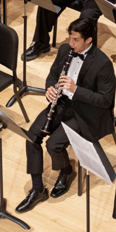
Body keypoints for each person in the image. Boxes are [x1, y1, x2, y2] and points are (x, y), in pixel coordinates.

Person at [16, 18, 115, 213]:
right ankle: (37, 189)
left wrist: (76, 90)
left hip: (85, 113)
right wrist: (50, 89)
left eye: (76, 40)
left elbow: (105, 101)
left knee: (54, 144)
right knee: (31, 137)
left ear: (89, 40)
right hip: (62, 103)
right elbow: (53, 75)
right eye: (70, 38)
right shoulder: (64, 50)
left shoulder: (103, 64)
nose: (71, 43)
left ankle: (66, 171)